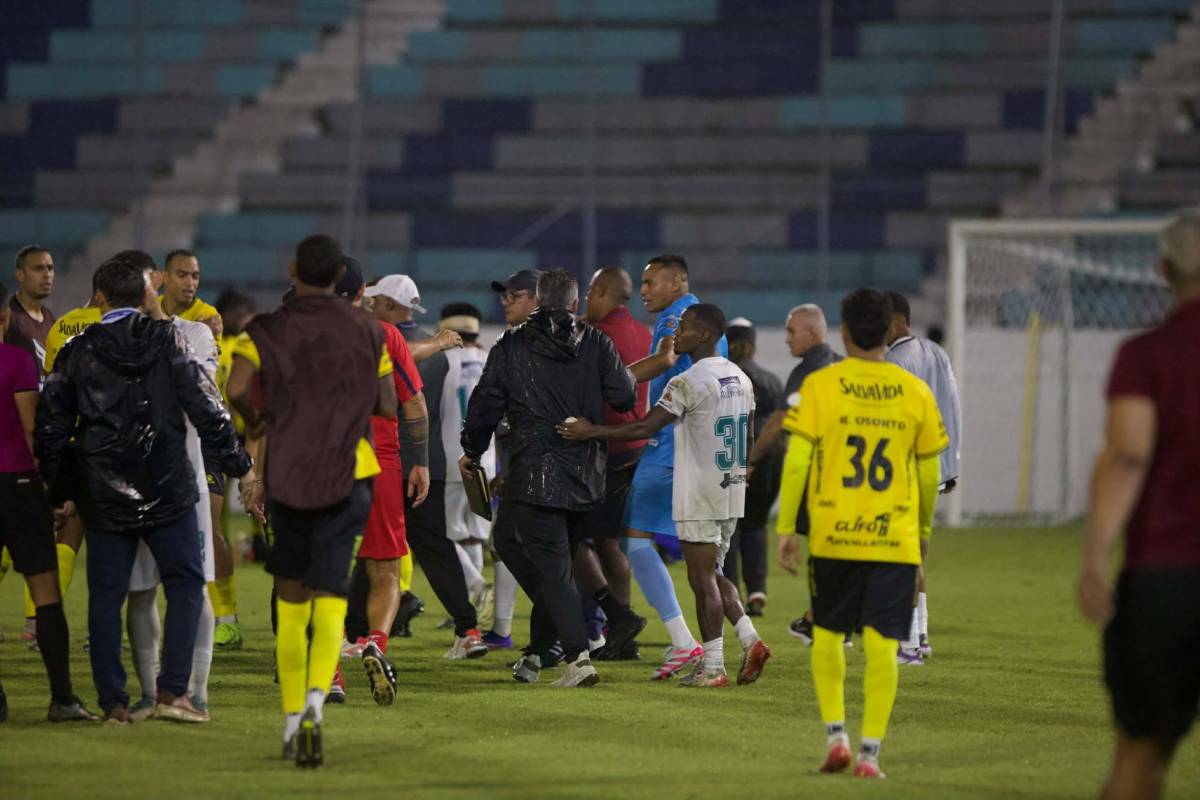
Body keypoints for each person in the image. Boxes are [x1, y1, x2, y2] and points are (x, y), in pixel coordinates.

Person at [36, 250, 254, 726]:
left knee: (107, 596)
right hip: (169, 486)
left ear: (101, 297)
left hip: (104, 492)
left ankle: (114, 702)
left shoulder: (78, 350)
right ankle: (173, 692)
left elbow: (52, 428)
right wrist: (242, 465)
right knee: (186, 585)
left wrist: (59, 491)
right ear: (145, 293)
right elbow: (205, 406)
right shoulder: (169, 341)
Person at [227, 235, 397, 766]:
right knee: (331, 597)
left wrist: (264, 420)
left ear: (293, 268)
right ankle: (318, 707)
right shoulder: (369, 331)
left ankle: (291, 715)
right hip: (350, 474)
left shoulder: (265, 329)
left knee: (291, 597)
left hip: (291, 476)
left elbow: (235, 389)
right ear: (346, 281)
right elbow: (388, 405)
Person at [776, 288, 947, 779]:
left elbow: (798, 461)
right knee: (882, 645)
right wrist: (923, 531)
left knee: (828, 636)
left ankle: (837, 736)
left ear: (845, 332)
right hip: (893, 537)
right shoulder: (915, 391)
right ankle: (871, 754)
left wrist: (787, 526)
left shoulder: (822, 387)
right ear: (889, 328)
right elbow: (930, 473)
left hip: (834, 535)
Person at [560, 304, 771, 688]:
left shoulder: (688, 381)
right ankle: (750, 639)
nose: (677, 334)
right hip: (731, 488)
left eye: (686, 327)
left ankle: (712, 668)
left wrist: (591, 431)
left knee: (701, 578)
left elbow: (643, 425)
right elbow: (750, 435)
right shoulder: (740, 377)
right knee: (715, 572)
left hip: (700, 490)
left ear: (706, 335)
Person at [460, 269, 637, 688]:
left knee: (553, 572)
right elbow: (625, 397)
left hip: (534, 472)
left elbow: (485, 403)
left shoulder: (512, 344)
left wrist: (472, 450)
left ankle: (577, 659)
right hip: (586, 476)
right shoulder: (596, 342)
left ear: (539, 301)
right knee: (555, 567)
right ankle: (540, 652)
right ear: (574, 304)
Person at [1077, 212, 1200, 800]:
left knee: (1139, 755)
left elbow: (1128, 455)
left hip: (1165, 578)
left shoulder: (1147, 355)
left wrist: (1096, 556)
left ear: (1163, 271)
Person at [364, 274, 489, 660]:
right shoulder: (434, 347)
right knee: (434, 547)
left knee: (366, 550)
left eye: (374, 300)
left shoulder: (390, 341)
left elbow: (395, 390)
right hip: (424, 461)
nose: (367, 305)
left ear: (388, 304)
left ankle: (357, 634)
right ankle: (468, 628)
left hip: (387, 458)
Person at [622, 254, 728, 680]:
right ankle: (746, 635)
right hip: (699, 445)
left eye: (650, 282)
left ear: (677, 281)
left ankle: (684, 642)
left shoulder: (675, 317)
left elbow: (665, 361)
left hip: (671, 441)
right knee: (703, 556)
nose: (643, 290)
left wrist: (609, 377)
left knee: (634, 538)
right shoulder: (700, 313)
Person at [0, 278, 96, 723]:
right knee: (45, 592)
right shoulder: (16, 362)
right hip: (17, 486)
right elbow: (31, 430)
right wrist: (56, 491)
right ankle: (62, 698)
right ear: (4, 316)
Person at [125, 303, 222, 721]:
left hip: (187, 481)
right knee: (140, 590)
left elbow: (200, 394)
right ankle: (149, 693)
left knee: (195, 588)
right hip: (132, 485)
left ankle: (195, 691)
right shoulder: (118, 336)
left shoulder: (197, 334)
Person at [343, 258, 430, 706]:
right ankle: (377, 639)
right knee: (386, 568)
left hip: (315, 460)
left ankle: (329, 671)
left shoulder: (297, 331)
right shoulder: (386, 336)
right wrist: (421, 463)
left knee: (323, 570)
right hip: (380, 459)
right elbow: (413, 404)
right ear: (364, 294)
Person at [748, 304, 844, 644]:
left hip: (820, 475)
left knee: (820, 549)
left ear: (813, 332)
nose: (786, 338)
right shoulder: (844, 365)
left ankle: (825, 622)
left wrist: (754, 459)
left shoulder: (810, 371)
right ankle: (826, 618)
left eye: (792, 331)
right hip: (849, 476)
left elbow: (781, 420)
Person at [885, 291, 962, 664]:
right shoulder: (936, 353)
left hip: (909, 469)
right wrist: (952, 464)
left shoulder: (896, 361)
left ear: (893, 320)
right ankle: (922, 635)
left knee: (903, 555)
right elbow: (954, 405)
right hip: (937, 465)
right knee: (918, 554)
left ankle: (909, 643)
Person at [579, 267, 651, 660]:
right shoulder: (644, 334)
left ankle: (617, 624)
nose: (587, 297)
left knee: (582, 540)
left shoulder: (596, 337)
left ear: (603, 290)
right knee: (612, 543)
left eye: (590, 290)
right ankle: (618, 630)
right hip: (636, 447)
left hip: (606, 447)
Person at [723, 318, 783, 617]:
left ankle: (731, 591)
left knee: (731, 526)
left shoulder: (726, 379)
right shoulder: (772, 381)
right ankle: (757, 588)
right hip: (772, 459)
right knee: (757, 522)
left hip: (736, 455)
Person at [5, 245, 56, 380]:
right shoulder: (7, 316)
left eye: (50, 268)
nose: (47, 275)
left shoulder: (50, 318)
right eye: (38, 269)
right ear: (20, 275)